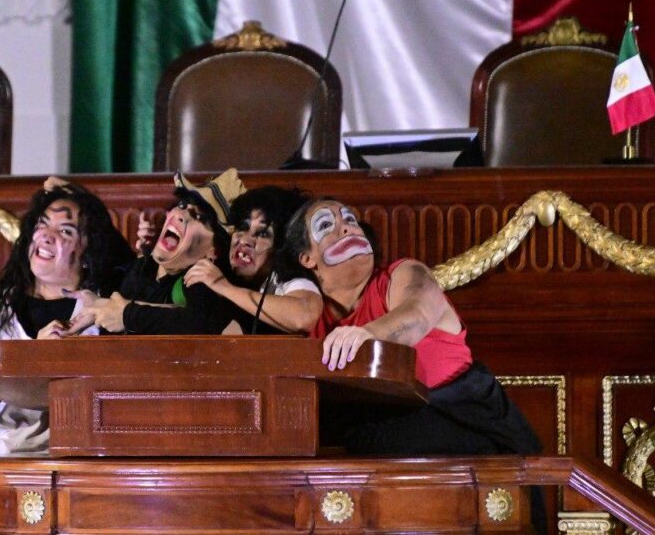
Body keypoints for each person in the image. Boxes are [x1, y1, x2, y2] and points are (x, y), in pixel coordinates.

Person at [284, 197, 542, 459]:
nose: (347, 227)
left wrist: (368, 334)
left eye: (350, 219)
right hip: (381, 438)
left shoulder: (404, 273)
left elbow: (417, 314)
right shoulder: (310, 316)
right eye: (326, 225)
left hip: (469, 422)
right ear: (307, 258)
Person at [0, 180, 134, 454]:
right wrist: (31, 358)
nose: (46, 236)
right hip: (17, 462)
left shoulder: (103, 307)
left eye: (65, 231)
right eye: (42, 224)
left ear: (87, 250)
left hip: (91, 459)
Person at [70, 169, 247, 335]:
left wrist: (127, 314)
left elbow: (199, 321)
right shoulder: (144, 266)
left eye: (198, 217)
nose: (181, 215)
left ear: (213, 251)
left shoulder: (199, 280)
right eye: (182, 205)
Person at [181, 185, 323, 334]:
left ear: (281, 247)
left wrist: (224, 287)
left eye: (263, 234)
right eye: (242, 227)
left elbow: (304, 317)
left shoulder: (286, 278)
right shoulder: (217, 267)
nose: (244, 240)